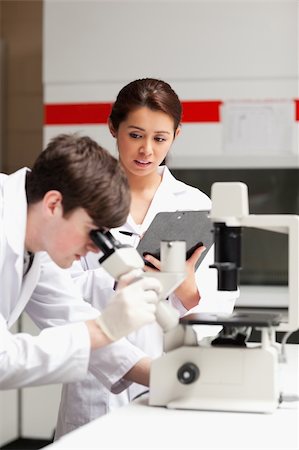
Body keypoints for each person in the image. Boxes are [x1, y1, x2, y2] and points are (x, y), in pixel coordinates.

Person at [55, 79, 238, 438]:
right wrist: (123, 277)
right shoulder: (81, 200)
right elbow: (57, 293)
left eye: (160, 139)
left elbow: (220, 310)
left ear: (176, 135)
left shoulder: (196, 206)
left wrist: (188, 291)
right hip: (96, 385)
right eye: (136, 135)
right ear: (113, 128)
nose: (147, 151)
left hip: (170, 373)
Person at [0, 133, 162, 390]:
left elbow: (70, 315)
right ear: (54, 204)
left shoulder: (39, 239)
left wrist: (168, 379)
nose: (93, 248)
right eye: (91, 231)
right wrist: (104, 328)